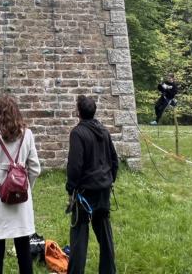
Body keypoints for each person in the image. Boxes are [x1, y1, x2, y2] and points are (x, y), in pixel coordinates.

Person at [0, 96, 42, 274]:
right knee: (23, 250)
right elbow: (35, 168)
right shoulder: (27, 135)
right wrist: (26, 188)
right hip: (20, 203)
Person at [66, 95, 119, 274]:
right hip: (103, 189)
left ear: (78, 112)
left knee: (79, 236)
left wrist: (71, 188)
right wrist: (110, 180)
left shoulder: (77, 133)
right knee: (105, 234)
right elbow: (114, 160)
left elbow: (75, 165)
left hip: (85, 192)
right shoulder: (104, 131)